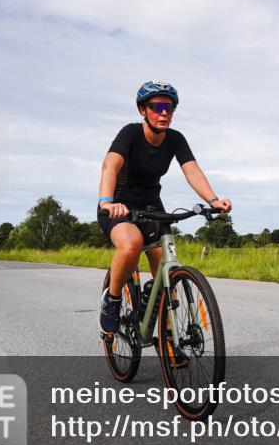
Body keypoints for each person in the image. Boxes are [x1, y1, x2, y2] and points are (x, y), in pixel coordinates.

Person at [97, 81, 231, 340]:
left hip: (152, 208)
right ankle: (112, 300)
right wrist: (106, 201)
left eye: (169, 108)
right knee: (131, 244)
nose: (164, 113)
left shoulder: (175, 139)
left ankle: (169, 338)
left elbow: (191, 169)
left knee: (167, 271)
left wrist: (213, 199)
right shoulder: (130, 134)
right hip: (120, 206)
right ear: (142, 110)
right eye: (157, 107)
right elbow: (109, 166)